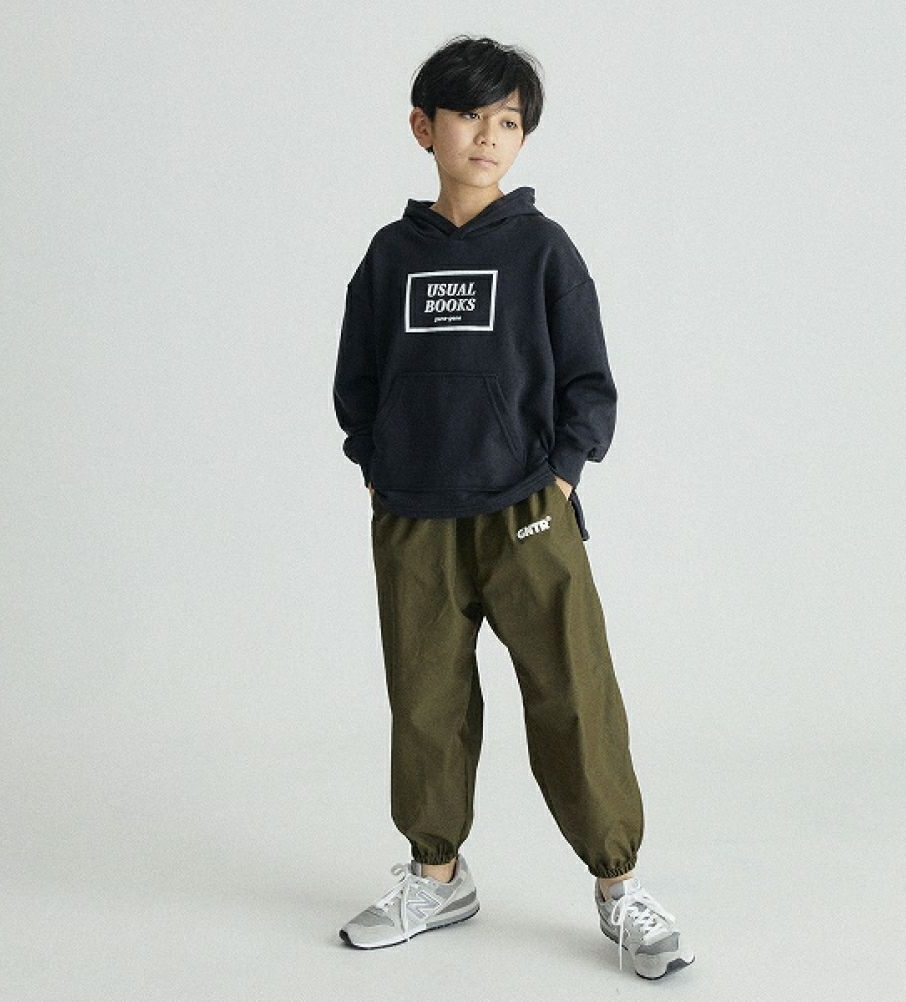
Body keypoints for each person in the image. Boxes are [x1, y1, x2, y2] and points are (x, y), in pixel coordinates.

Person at [332, 34, 694, 979]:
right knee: (426, 701)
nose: (489, 136)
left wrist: (562, 476)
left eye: (509, 121)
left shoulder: (542, 249)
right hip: (414, 515)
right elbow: (358, 378)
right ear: (424, 127)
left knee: (574, 695)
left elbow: (588, 380)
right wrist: (376, 464)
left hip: (526, 513)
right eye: (469, 116)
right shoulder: (390, 256)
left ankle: (620, 888)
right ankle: (437, 876)